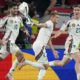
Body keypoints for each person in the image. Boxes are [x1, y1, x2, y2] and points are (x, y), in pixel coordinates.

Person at [18, 11, 59, 80]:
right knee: (45, 66)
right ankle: (26, 62)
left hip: (39, 46)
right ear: (52, 17)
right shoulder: (50, 23)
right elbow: (44, 24)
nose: (58, 19)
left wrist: (53, 50)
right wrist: (36, 25)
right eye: (57, 17)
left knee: (43, 66)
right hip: (40, 46)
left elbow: (49, 40)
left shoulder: (50, 27)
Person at [0, 3, 29, 80]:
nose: (16, 10)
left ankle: (10, 74)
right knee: (20, 56)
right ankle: (10, 74)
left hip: (11, 43)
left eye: (16, 8)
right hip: (8, 42)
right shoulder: (6, 18)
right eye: (14, 8)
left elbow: (21, 26)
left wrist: (25, 30)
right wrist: (0, 41)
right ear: (10, 9)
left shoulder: (19, 18)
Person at [50, 5, 80, 80]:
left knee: (62, 64)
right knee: (78, 60)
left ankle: (47, 64)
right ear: (73, 11)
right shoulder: (69, 22)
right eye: (75, 10)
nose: (76, 11)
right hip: (71, 43)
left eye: (78, 10)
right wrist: (55, 36)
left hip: (78, 44)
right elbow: (61, 31)